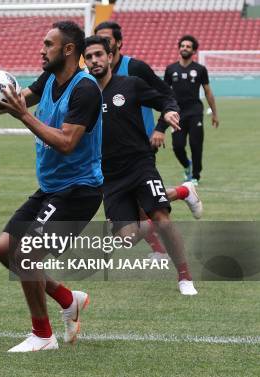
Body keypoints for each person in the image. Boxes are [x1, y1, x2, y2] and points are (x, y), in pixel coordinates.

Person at [0, 21, 103, 352]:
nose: (41, 49)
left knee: (26, 254)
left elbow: (67, 142)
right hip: (52, 187)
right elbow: (17, 100)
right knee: (5, 249)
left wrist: (23, 116)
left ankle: (43, 335)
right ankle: (66, 298)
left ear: (68, 50)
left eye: (48, 44)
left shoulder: (85, 89)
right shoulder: (49, 78)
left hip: (78, 191)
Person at [83, 35, 199, 295]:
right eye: (89, 57)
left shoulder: (130, 85)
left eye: (99, 54)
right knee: (127, 237)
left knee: (163, 218)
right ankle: (183, 191)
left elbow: (165, 99)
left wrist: (168, 112)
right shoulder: (84, 94)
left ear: (110, 56)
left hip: (140, 165)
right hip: (109, 176)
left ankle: (184, 277)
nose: (94, 60)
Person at [95, 21, 179, 259]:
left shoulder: (136, 68)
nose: (102, 44)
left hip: (141, 144)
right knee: (137, 209)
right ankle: (183, 192)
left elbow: (166, 96)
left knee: (147, 204)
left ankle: (161, 252)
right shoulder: (92, 76)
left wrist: (161, 128)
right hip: (110, 154)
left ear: (118, 44)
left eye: (107, 40)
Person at [162, 35, 219, 185]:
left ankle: (195, 176)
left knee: (196, 145)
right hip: (177, 113)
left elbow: (208, 92)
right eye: (182, 46)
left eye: (188, 46)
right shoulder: (170, 69)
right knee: (178, 146)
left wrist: (214, 113)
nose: (184, 48)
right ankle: (187, 166)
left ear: (193, 50)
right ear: (179, 48)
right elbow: (164, 92)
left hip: (195, 112)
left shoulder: (200, 69)